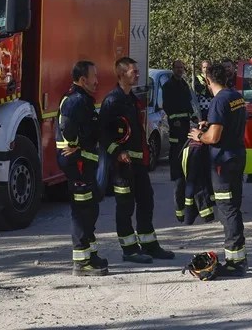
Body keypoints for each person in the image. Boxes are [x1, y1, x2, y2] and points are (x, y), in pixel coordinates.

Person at [100, 57, 175, 263]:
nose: (138, 74)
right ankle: (129, 250)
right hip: (122, 167)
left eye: (137, 71)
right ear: (122, 74)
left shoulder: (131, 99)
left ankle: (149, 245)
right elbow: (103, 133)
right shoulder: (112, 100)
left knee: (146, 201)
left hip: (139, 164)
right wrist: (118, 152)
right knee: (125, 206)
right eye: (134, 72)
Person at [189, 62, 249, 276]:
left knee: (227, 209)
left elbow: (214, 137)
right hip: (236, 157)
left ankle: (234, 262)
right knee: (235, 206)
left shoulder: (219, 100)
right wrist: (211, 125)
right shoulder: (236, 97)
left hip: (222, 162)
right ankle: (239, 258)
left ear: (208, 80)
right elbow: (227, 125)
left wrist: (199, 136)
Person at [57, 61, 108, 276]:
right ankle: (81, 262)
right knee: (82, 211)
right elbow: (67, 126)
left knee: (91, 207)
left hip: (85, 162)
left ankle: (91, 254)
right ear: (83, 79)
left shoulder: (83, 100)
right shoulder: (75, 100)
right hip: (77, 163)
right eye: (94, 76)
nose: (97, 80)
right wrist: (74, 144)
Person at [162, 59, 196, 222]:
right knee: (177, 164)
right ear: (173, 69)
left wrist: (193, 116)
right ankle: (179, 210)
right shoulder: (168, 86)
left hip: (185, 127)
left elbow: (188, 103)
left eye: (182, 68)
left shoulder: (184, 85)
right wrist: (174, 120)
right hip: (176, 128)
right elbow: (168, 106)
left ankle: (187, 209)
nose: (180, 70)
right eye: (177, 68)